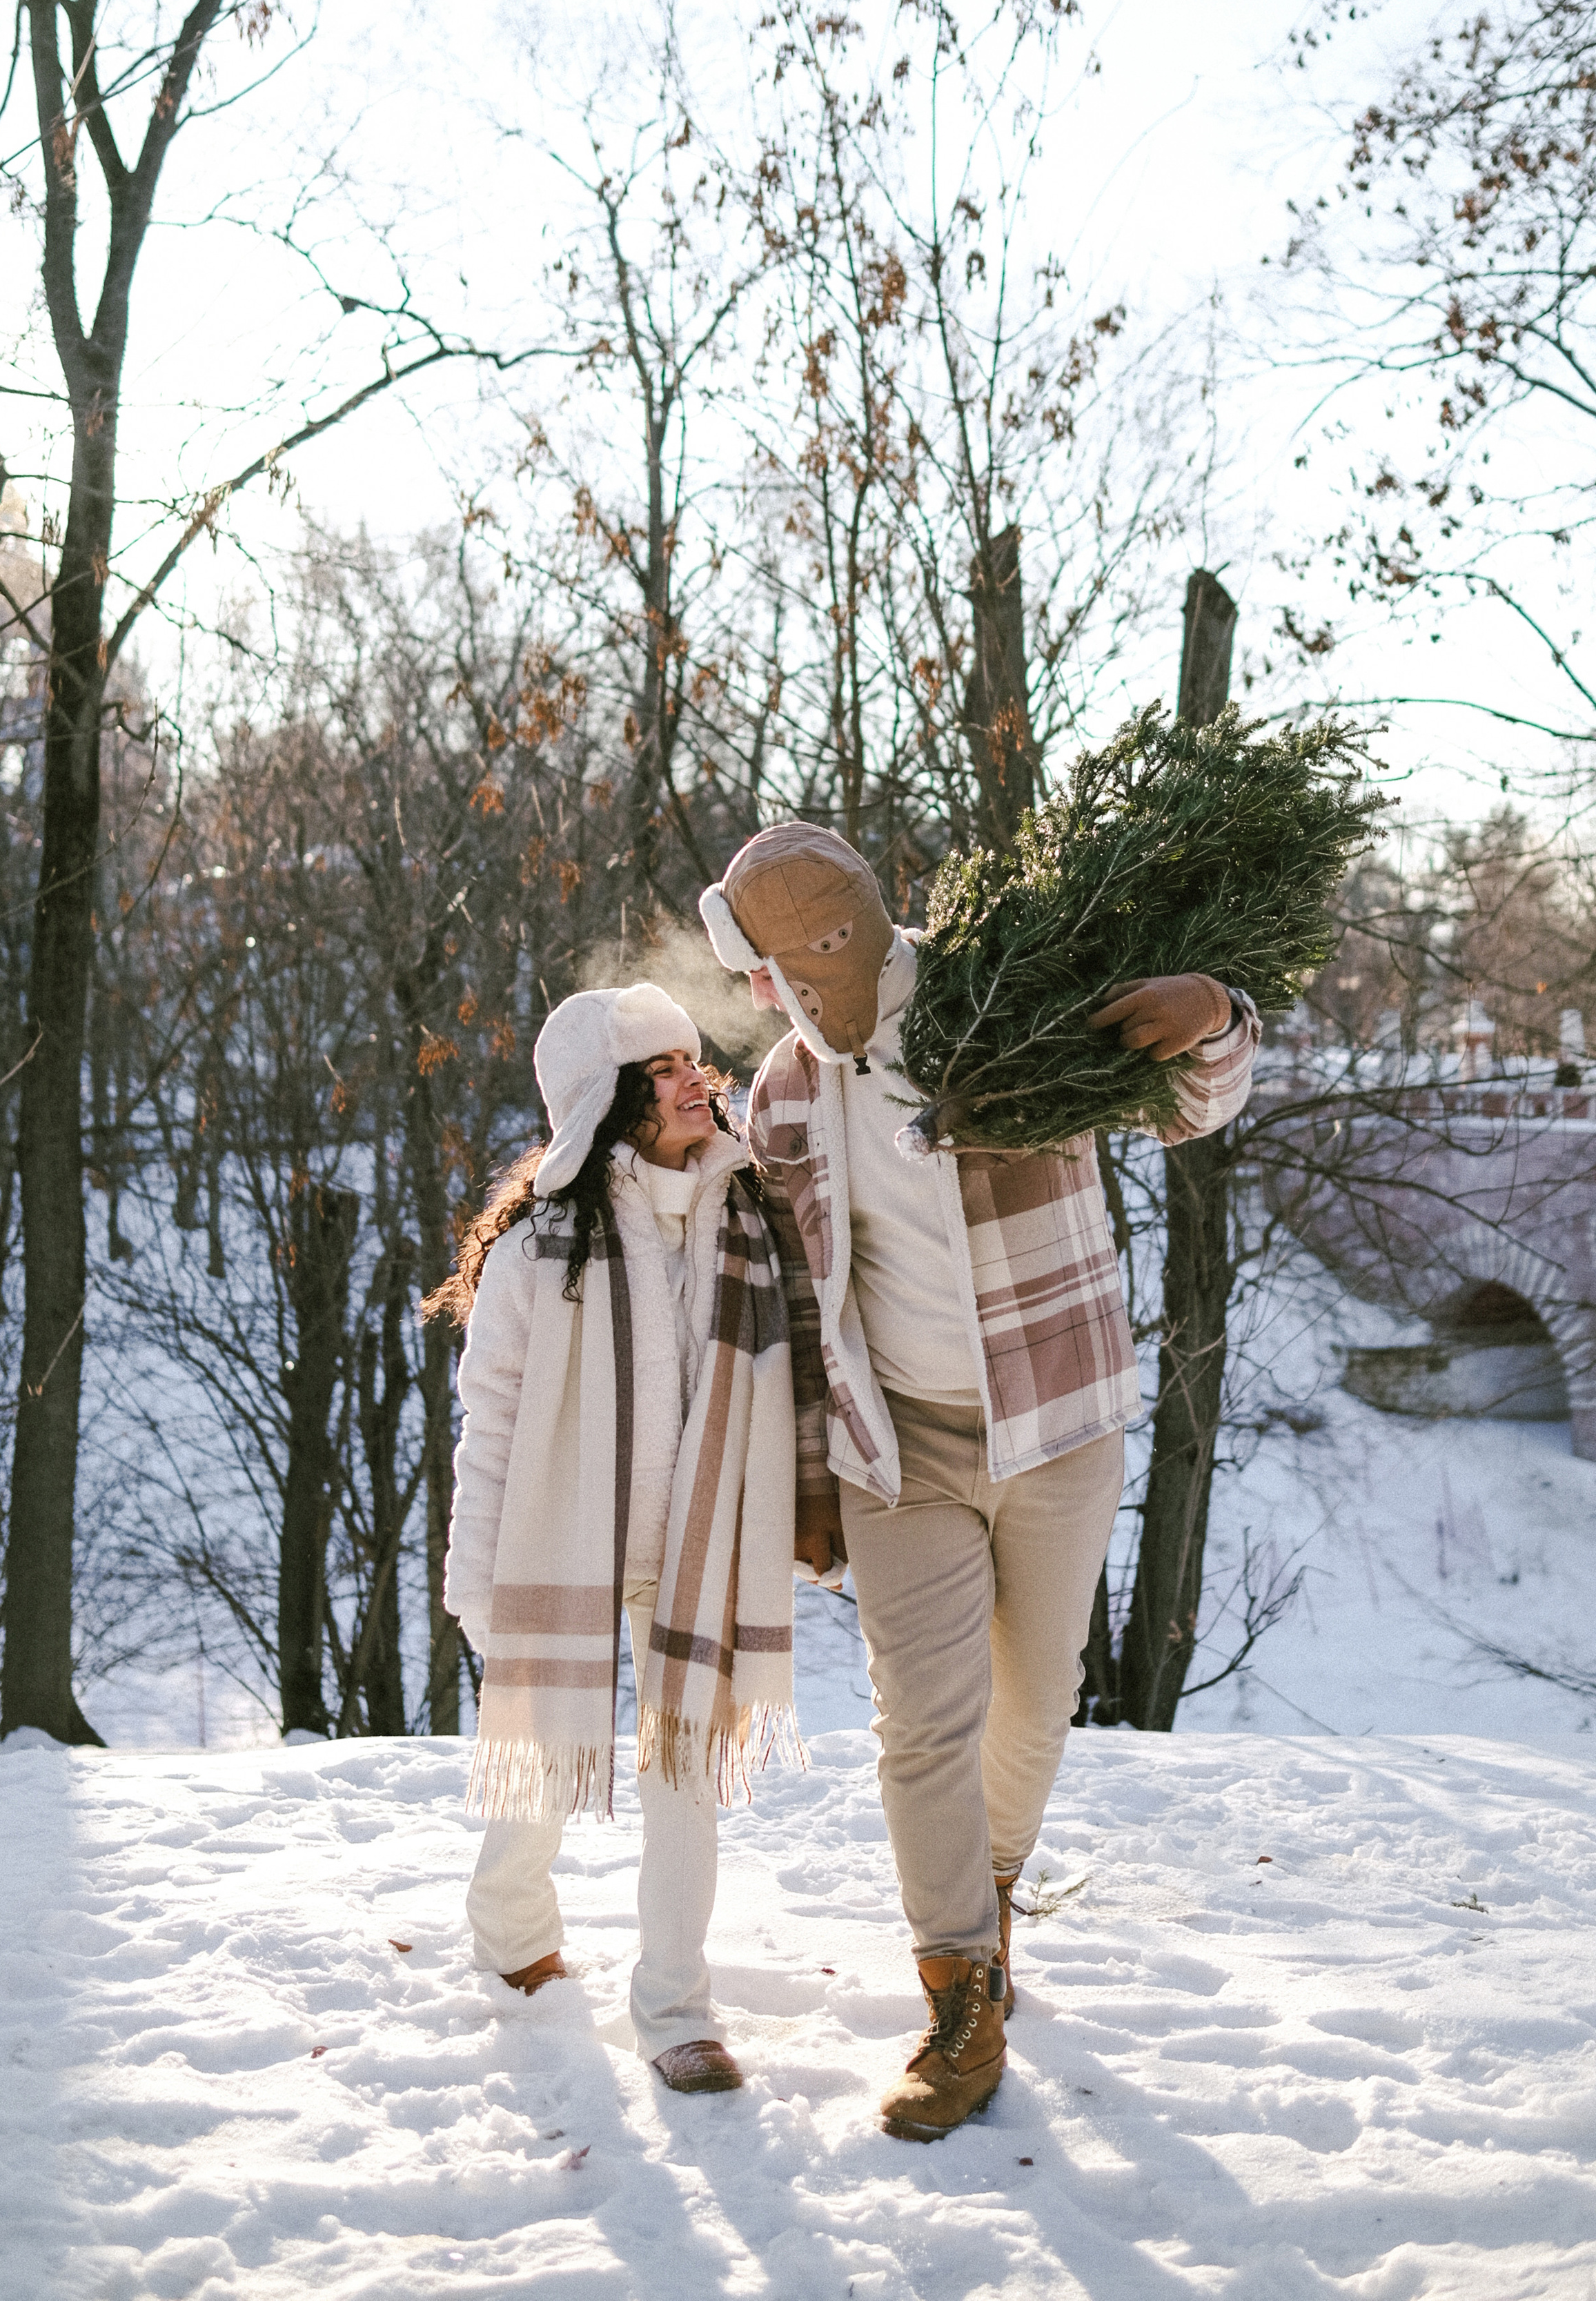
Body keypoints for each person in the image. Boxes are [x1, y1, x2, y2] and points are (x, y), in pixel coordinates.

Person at [699, 824, 1261, 2140]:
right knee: (920, 1721)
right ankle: (959, 1989)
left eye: (812, 960)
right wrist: (813, 1488)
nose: (791, 993)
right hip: (900, 1447)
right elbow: (792, 1306)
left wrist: (1219, 1015)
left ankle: (993, 1891)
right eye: (773, 972)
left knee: (1039, 1694)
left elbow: (1192, 1102)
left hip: (1057, 1416)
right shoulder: (781, 1096)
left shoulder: (1002, 999)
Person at [430, 981, 797, 2095]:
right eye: (665, 1072)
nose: (699, 1083)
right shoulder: (544, 1245)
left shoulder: (747, 1217)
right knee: (538, 1765)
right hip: (567, 1541)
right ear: (609, 1101)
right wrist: (477, 1568)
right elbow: (490, 1412)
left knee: (683, 1775)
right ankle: (509, 1934)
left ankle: (676, 2009)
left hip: (698, 1545)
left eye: (696, 1063)